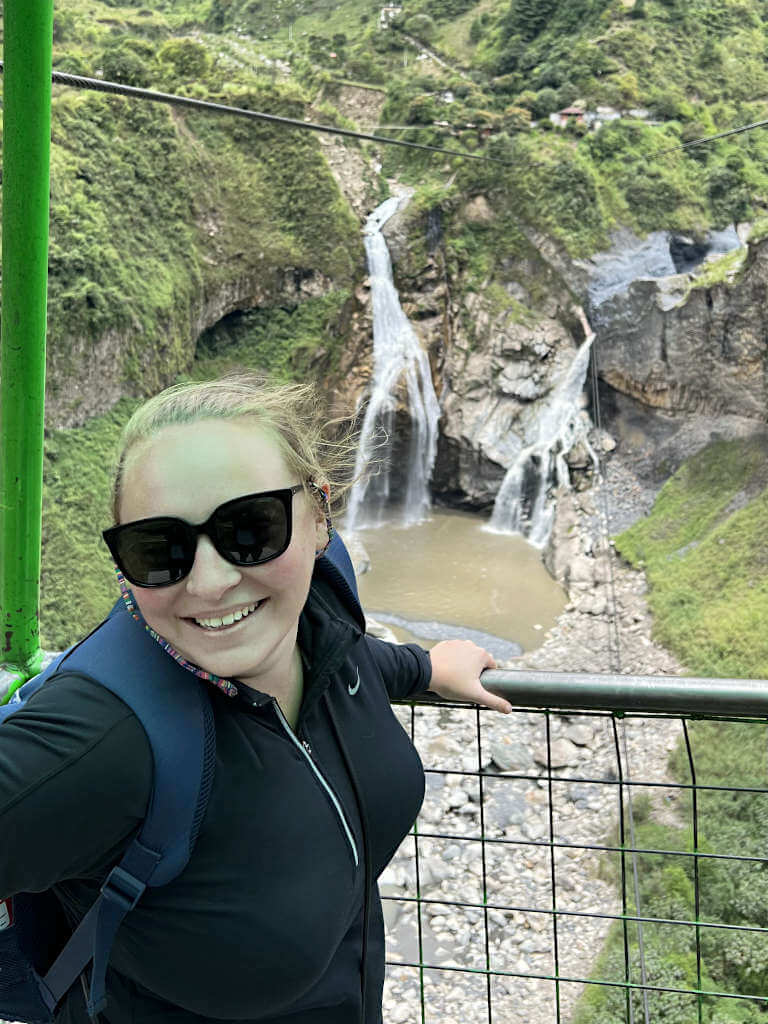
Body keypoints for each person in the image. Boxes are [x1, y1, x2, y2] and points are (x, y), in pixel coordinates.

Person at [0, 372, 513, 1024]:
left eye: (251, 527)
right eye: (160, 548)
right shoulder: (105, 738)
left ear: (319, 517)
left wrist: (425, 665)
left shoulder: (322, 606)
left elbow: (342, 660)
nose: (210, 583)